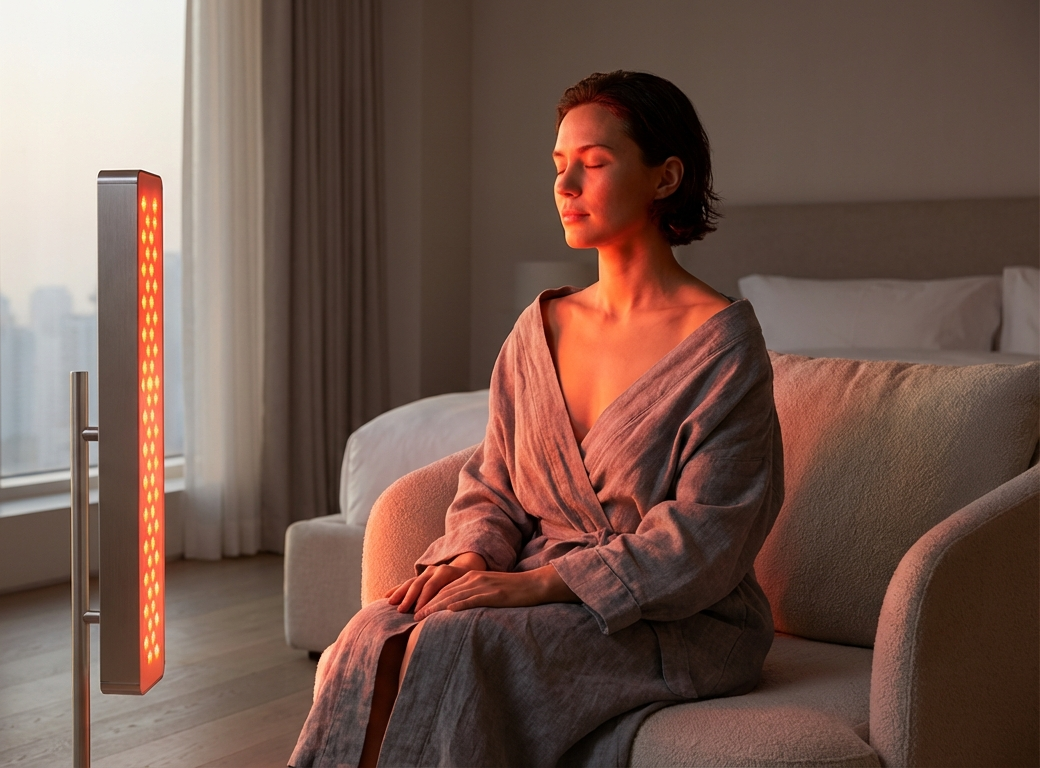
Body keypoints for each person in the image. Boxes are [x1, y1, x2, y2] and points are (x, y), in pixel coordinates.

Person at [289, 70, 784, 768]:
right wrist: (471, 558)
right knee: (375, 630)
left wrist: (534, 586)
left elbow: (707, 539)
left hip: (676, 616)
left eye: (594, 163)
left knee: (461, 641)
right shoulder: (540, 329)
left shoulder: (724, 348)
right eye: (559, 165)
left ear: (666, 177)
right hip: (532, 581)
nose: (565, 186)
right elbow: (493, 482)